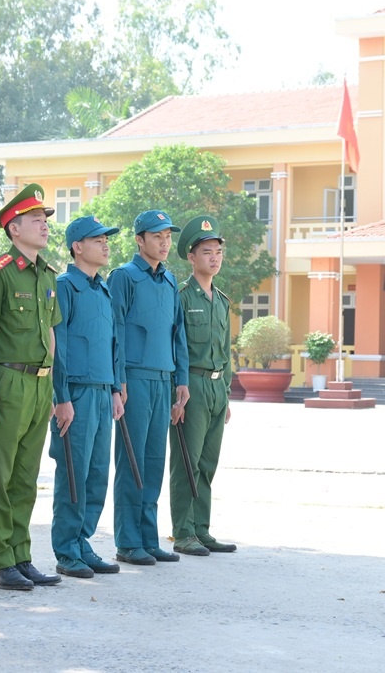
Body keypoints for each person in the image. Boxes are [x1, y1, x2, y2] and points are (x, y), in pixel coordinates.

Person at [0, 184, 62, 590]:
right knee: (0, 473)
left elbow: (50, 331)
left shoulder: (48, 273)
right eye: (35, 220)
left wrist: (52, 386)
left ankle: (20, 554)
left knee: (27, 477)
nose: (44, 226)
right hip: (8, 379)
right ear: (14, 228)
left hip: (39, 383)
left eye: (45, 220)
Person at [108, 210, 189, 566]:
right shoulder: (123, 277)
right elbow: (116, 330)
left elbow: (178, 333)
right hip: (135, 379)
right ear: (139, 240)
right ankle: (128, 541)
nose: (164, 242)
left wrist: (181, 379)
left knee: (155, 461)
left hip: (163, 378)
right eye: (157, 236)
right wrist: (118, 378)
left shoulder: (170, 280)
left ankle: (148, 537)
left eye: (167, 236)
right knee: (132, 460)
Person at [50, 216, 126, 579]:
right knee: (73, 474)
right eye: (98, 240)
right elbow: (58, 345)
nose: (106, 244)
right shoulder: (64, 286)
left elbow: (113, 343)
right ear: (77, 246)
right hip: (75, 395)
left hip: (101, 392)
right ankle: (66, 550)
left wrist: (115, 388)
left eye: (107, 240)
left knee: (97, 475)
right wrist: (60, 395)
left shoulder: (103, 289)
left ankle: (83, 542)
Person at [169, 215, 236, 557]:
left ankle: (202, 529)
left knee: (208, 462)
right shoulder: (181, 296)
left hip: (214, 389)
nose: (214, 258)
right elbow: (174, 346)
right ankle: (182, 531)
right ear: (191, 257)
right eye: (207, 251)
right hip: (190, 386)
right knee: (187, 460)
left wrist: (226, 394)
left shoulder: (222, 301)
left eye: (218, 252)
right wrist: (176, 394)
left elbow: (225, 352)